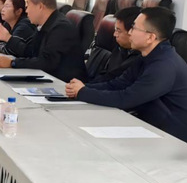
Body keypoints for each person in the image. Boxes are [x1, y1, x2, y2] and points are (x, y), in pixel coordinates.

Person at [66, 8, 187, 142]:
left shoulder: (164, 66)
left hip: (172, 139)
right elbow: (118, 84)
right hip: (150, 128)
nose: (130, 33)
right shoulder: (148, 57)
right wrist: (82, 88)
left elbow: (126, 98)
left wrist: (83, 92)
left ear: (150, 37)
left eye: (134, 28)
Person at [0, 0, 88, 82]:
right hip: (49, 78)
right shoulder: (45, 24)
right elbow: (29, 51)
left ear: (40, 6)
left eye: (28, 5)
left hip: (64, 84)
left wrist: (13, 63)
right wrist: (8, 39)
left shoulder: (60, 27)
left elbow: (47, 62)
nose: (26, 10)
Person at [89, 6, 142, 84]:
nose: (114, 34)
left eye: (118, 31)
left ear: (132, 31)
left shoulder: (141, 58)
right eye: (115, 30)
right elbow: (108, 74)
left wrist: (85, 88)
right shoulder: (120, 47)